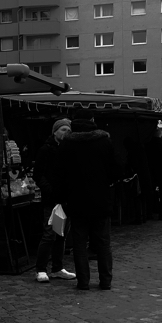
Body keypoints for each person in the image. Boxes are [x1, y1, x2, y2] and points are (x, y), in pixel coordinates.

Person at [58, 109, 118, 290]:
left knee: (79, 243)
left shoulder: (66, 144)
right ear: (92, 120)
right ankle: (105, 281)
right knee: (103, 243)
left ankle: (83, 281)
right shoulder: (104, 141)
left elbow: (59, 174)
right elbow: (115, 171)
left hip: (76, 200)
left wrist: (64, 196)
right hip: (100, 199)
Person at [33, 118, 76, 283]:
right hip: (52, 200)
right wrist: (49, 190)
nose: (66, 132)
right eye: (63, 129)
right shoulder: (45, 150)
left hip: (65, 199)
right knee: (49, 234)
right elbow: (38, 174)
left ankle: (57, 268)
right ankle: (41, 269)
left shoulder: (69, 150)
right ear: (55, 132)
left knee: (60, 234)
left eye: (68, 130)